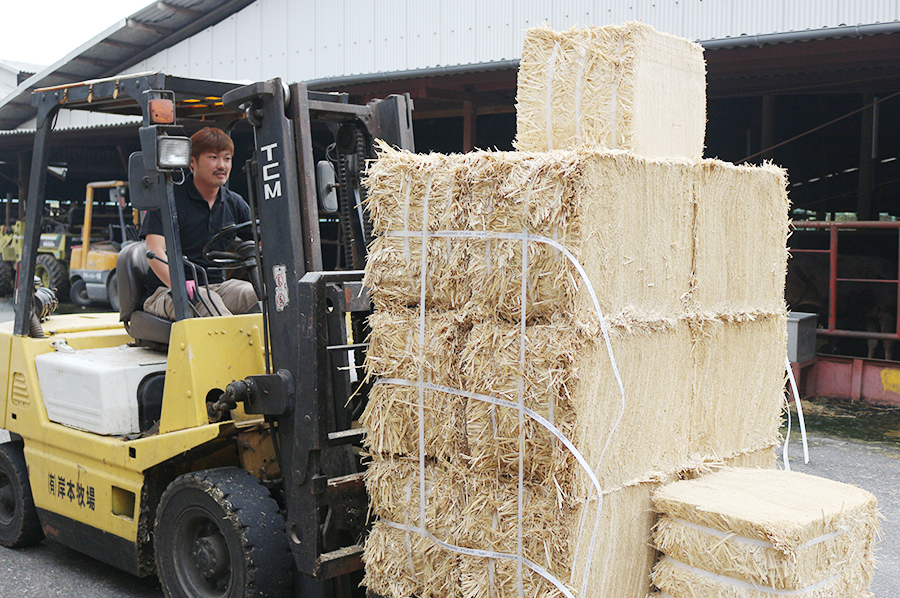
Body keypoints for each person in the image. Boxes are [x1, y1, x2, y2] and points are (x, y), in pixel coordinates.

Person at [140, 127, 258, 319]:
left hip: (218, 287)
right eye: (213, 157)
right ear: (192, 162)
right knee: (206, 302)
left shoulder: (234, 202)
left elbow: (259, 240)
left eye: (227, 158)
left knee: (263, 296)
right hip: (166, 290)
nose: (222, 165)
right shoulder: (169, 200)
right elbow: (155, 253)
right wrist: (178, 284)